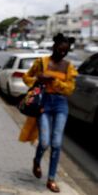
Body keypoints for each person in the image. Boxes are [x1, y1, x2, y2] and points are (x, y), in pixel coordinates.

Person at [21, 33, 78, 193]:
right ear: (54, 46)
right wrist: (38, 80)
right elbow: (27, 77)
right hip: (43, 102)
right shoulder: (41, 62)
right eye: (60, 50)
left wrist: (54, 81)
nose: (62, 53)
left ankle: (51, 179)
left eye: (65, 51)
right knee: (45, 142)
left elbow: (70, 89)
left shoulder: (69, 66)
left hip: (60, 104)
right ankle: (37, 160)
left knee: (57, 143)